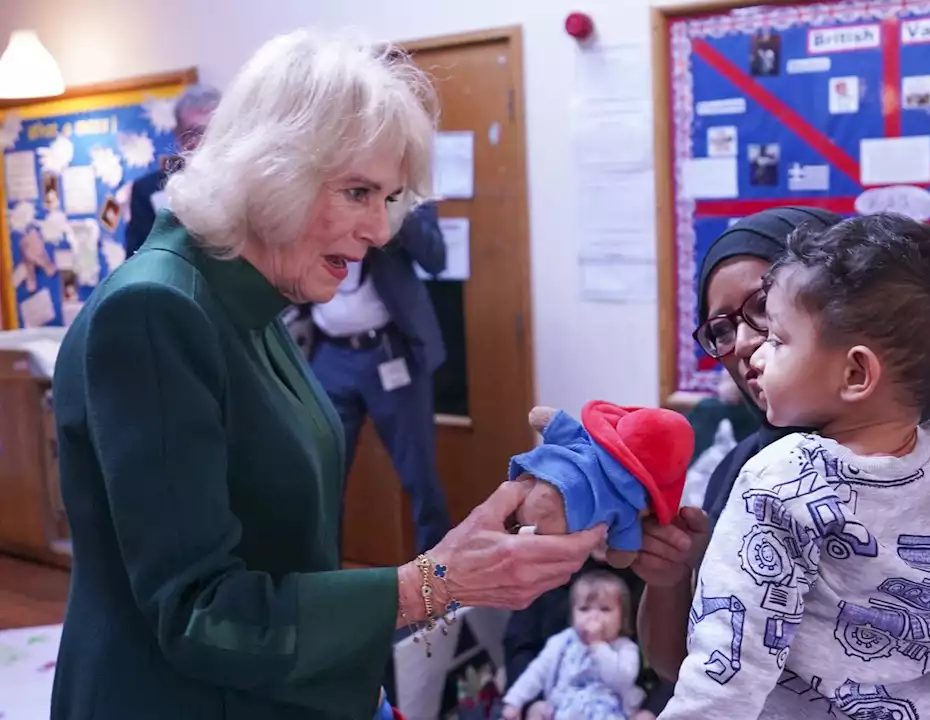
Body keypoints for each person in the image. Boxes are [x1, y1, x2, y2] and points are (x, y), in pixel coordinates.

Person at [49, 29, 605, 720]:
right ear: (271, 169)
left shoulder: (249, 297)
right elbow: (198, 611)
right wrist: (425, 585)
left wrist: (442, 572)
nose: (380, 229)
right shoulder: (156, 310)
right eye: (357, 192)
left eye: (390, 198)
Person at [631, 206, 930, 719]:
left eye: (763, 311)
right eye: (721, 328)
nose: (746, 343)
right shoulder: (748, 472)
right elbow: (696, 668)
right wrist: (669, 573)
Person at [305, 198, 451, 553]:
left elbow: (436, 259)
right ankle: (324, 584)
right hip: (327, 353)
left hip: (390, 351)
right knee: (322, 478)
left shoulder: (402, 191)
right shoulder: (311, 189)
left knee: (421, 478)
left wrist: (394, 204)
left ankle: (439, 592)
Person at [502, 571, 651, 720]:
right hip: (564, 709)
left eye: (605, 609)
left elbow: (623, 680)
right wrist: (515, 701)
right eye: (584, 609)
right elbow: (536, 673)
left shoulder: (625, 648)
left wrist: (598, 645)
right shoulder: (562, 642)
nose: (594, 616)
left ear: (622, 618)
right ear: (572, 615)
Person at [124, 83, 220, 257]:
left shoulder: (244, 183)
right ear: (179, 136)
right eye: (193, 133)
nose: (204, 142)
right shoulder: (149, 191)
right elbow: (136, 261)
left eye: (211, 131)